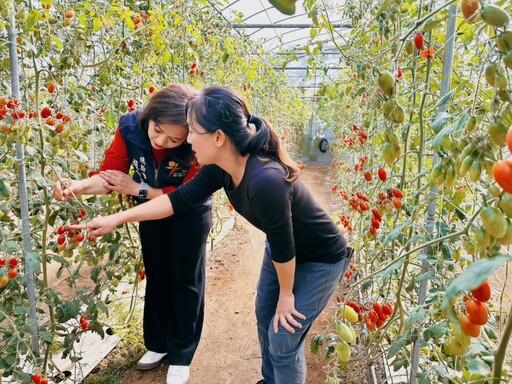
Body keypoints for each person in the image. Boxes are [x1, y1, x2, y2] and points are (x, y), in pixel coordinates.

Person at [75, 85, 351, 384]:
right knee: (264, 316)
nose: (187, 139)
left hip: (321, 258)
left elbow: (285, 245)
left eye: (192, 131)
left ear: (218, 137)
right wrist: (116, 218)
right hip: (282, 251)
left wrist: (287, 296)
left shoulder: (265, 181)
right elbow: (174, 201)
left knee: (283, 335)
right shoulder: (219, 167)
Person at [53, 84, 212, 384]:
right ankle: (158, 344)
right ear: (148, 116)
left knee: (186, 280)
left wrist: (137, 188)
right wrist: (77, 186)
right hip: (148, 212)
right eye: (157, 130)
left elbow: (186, 194)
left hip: (189, 214)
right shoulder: (130, 127)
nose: (162, 141)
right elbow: (110, 177)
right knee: (157, 274)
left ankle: (181, 353)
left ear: (189, 135)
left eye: (174, 138)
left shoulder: (196, 142)